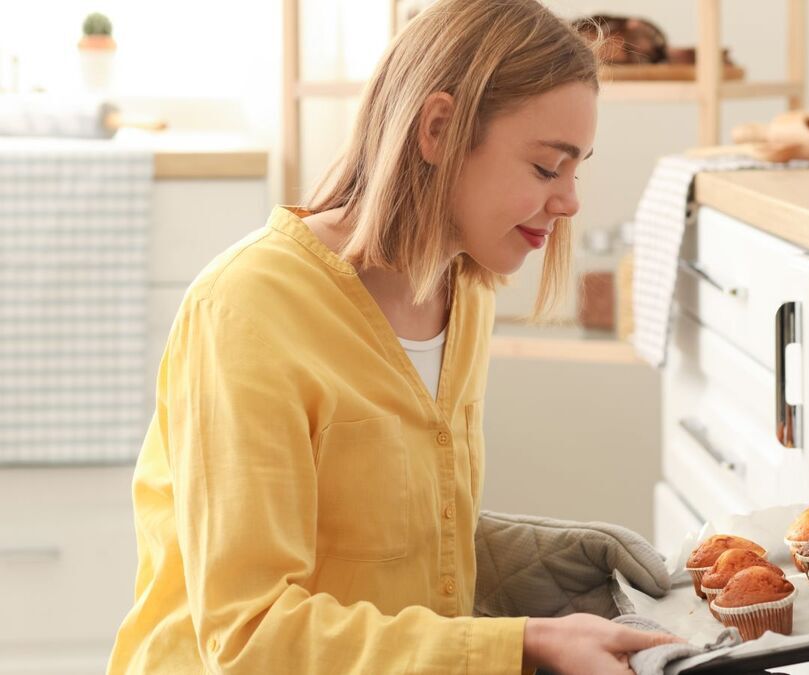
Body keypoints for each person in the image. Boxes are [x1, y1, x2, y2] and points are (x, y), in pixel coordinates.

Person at [106, 0, 679, 672]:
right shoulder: (247, 311)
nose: (571, 200)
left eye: (575, 169)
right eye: (547, 168)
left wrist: (526, 553)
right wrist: (519, 642)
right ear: (436, 129)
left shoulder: (462, 293)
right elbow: (249, 637)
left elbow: (376, 534)